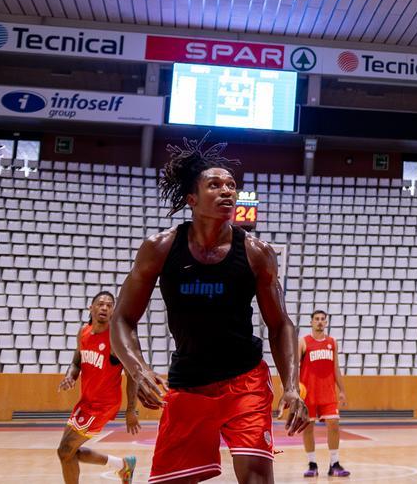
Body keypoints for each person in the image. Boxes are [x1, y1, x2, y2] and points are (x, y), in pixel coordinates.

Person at [111, 136, 308, 484]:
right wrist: (138, 369)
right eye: (214, 185)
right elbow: (123, 319)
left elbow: (280, 326)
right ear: (192, 198)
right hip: (189, 383)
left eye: (231, 185)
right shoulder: (159, 249)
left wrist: (291, 385)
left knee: (258, 478)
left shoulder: (256, 252)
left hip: (245, 380)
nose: (227, 191)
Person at [56, 291, 138, 484]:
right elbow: (76, 362)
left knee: (65, 450)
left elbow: (132, 375)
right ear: (91, 308)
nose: (104, 308)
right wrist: (70, 376)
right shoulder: (83, 332)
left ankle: (123, 465)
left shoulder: (114, 339)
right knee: (67, 453)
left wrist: (131, 410)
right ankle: (123, 465)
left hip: (103, 405)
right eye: (100, 304)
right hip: (85, 402)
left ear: (113, 312)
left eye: (109, 305)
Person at [286, 310, 350, 477]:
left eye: (323, 319)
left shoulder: (332, 342)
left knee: (334, 424)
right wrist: (290, 387)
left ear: (326, 322)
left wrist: (342, 390)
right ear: (311, 322)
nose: (320, 322)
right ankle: (312, 464)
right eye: (317, 319)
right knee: (308, 428)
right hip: (308, 394)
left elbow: (336, 368)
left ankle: (334, 464)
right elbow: (293, 365)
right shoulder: (303, 342)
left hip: (328, 393)